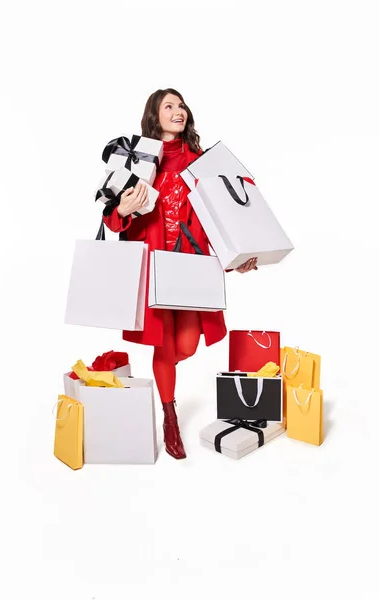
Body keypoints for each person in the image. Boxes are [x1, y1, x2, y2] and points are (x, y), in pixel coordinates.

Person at [103, 88, 258, 459]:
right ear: (155, 117)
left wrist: (237, 256)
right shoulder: (137, 159)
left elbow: (222, 215)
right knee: (163, 343)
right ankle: (169, 416)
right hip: (153, 264)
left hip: (190, 264)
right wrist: (123, 208)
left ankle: (163, 371)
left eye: (181, 105)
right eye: (168, 106)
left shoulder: (200, 162)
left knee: (184, 345)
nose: (178, 110)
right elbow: (110, 216)